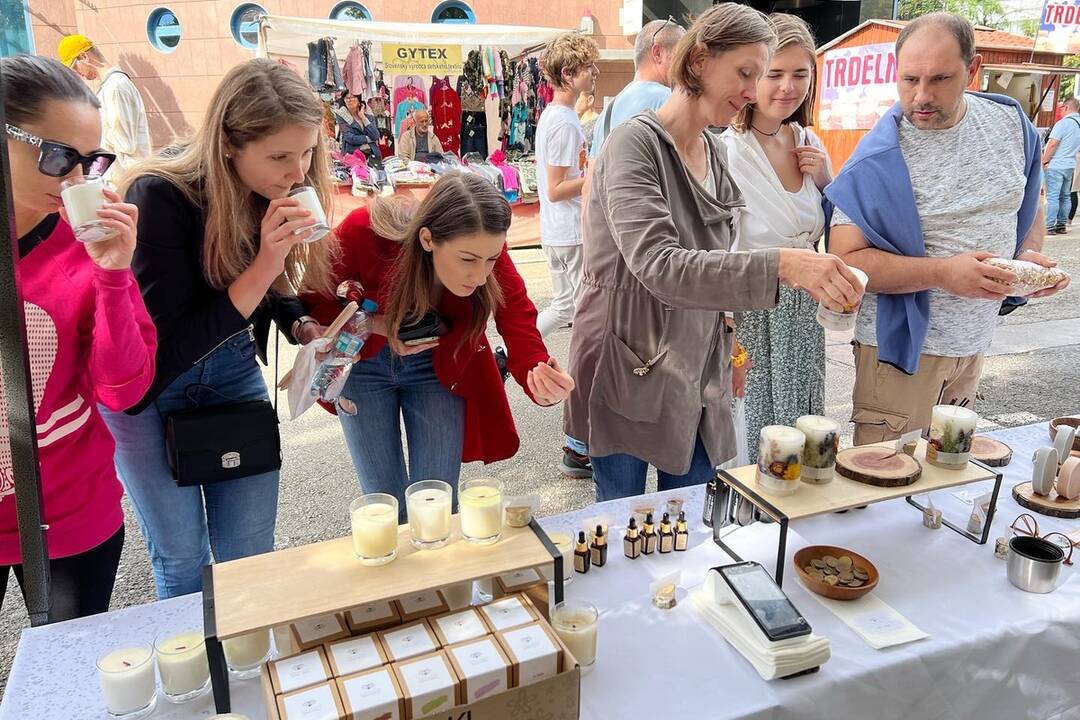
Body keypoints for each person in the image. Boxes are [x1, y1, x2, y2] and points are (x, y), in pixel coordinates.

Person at [566, 4, 861, 502]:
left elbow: (717, 265)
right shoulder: (634, 145)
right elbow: (660, 265)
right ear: (699, 59)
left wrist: (732, 346)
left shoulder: (712, 156)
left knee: (692, 522)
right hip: (629, 360)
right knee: (626, 527)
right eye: (746, 73)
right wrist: (786, 264)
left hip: (697, 369)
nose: (753, 91)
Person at [100, 59, 337, 599]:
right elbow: (173, 346)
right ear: (229, 142)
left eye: (306, 152)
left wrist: (299, 322)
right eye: (279, 155)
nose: (297, 172)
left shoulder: (265, 191)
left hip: (229, 370)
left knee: (248, 556)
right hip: (150, 391)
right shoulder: (160, 197)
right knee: (183, 558)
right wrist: (265, 267)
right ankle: (199, 680)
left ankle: (247, 671)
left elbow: (260, 290)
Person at [827, 13, 1068, 445]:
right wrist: (942, 273)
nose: (921, 96)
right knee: (887, 485)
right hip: (903, 354)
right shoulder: (879, 156)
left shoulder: (1011, 124)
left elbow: (1030, 197)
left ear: (973, 70)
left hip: (973, 344)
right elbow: (845, 259)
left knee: (945, 478)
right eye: (909, 80)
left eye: (939, 78)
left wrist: (1027, 255)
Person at [300, 173, 575, 516]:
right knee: (383, 503)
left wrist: (537, 369)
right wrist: (375, 324)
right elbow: (314, 305)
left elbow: (516, 311)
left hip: (438, 368)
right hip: (363, 368)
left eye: (491, 259)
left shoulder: (482, 245)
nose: (480, 276)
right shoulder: (363, 230)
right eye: (467, 260)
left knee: (437, 502)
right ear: (427, 239)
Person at [0, 55, 156, 620]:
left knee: (74, 679)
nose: (74, 180)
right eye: (58, 156)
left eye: (89, 161)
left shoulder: (82, 242)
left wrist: (114, 274)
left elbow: (123, 390)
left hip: (68, 512)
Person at [560, 17, 685, 480]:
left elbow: (594, 184)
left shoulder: (615, 107)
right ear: (659, 52)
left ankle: (581, 445)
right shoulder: (659, 102)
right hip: (646, 288)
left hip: (609, 276)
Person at [721, 13, 832, 463]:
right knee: (755, 431)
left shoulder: (807, 140)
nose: (787, 87)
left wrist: (827, 179)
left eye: (800, 74)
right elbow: (717, 248)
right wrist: (727, 333)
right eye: (775, 73)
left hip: (806, 313)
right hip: (754, 311)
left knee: (802, 426)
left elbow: (835, 224)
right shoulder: (727, 150)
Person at [534, 31, 600, 339]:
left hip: (558, 231)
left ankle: (512, 353)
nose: (595, 72)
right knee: (581, 309)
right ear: (568, 74)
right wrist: (598, 176)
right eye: (588, 66)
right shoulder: (563, 122)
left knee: (568, 307)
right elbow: (556, 188)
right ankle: (512, 352)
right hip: (569, 232)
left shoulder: (555, 116)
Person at [58, 34, 151, 183]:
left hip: (129, 181)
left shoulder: (115, 87)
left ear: (84, 57)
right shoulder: (111, 85)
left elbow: (124, 145)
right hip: (127, 180)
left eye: (75, 68)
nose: (78, 74)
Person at [1043, 96, 1080, 234]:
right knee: (1065, 195)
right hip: (1070, 164)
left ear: (1066, 108)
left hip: (1056, 164)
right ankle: (1061, 224)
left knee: (1052, 196)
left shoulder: (1063, 124)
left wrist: (1044, 160)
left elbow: (1052, 144)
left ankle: (1049, 225)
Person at [336, 94, 382, 161]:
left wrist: (363, 117)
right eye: (347, 98)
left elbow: (375, 135)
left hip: (372, 155)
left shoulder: (369, 116)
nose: (350, 100)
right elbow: (349, 138)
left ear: (359, 100)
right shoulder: (342, 116)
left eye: (353, 97)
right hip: (352, 156)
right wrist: (369, 139)